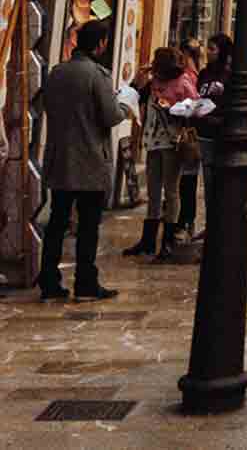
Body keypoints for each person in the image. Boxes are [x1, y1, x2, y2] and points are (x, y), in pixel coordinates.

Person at [37, 20, 133, 301]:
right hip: (90, 159)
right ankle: (86, 283)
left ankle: (49, 282)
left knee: (57, 222)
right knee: (88, 226)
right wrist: (125, 105)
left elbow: (48, 107)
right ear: (101, 44)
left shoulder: (57, 72)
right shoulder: (97, 75)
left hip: (60, 157)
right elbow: (111, 116)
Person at [124, 47, 199, 260]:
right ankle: (147, 241)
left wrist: (173, 109)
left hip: (172, 142)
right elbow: (135, 97)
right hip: (152, 141)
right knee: (153, 191)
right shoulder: (154, 82)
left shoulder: (182, 82)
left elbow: (195, 108)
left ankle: (167, 242)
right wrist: (140, 78)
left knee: (171, 190)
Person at [193, 33, 234, 242]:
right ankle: (211, 225)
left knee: (216, 184)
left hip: (218, 136)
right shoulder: (204, 73)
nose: (208, 53)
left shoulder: (230, 76)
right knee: (207, 184)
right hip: (202, 134)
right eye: (207, 48)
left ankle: (217, 227)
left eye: (212, 49)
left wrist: (215, 117)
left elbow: (230, 106)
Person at [176, 39, 203, 239]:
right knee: (187, 179)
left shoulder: (189, 77)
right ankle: (186, 218)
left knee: (186, 180)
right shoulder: (198, 75)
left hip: (188, 134)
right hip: (191, 133)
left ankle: (185, 219)